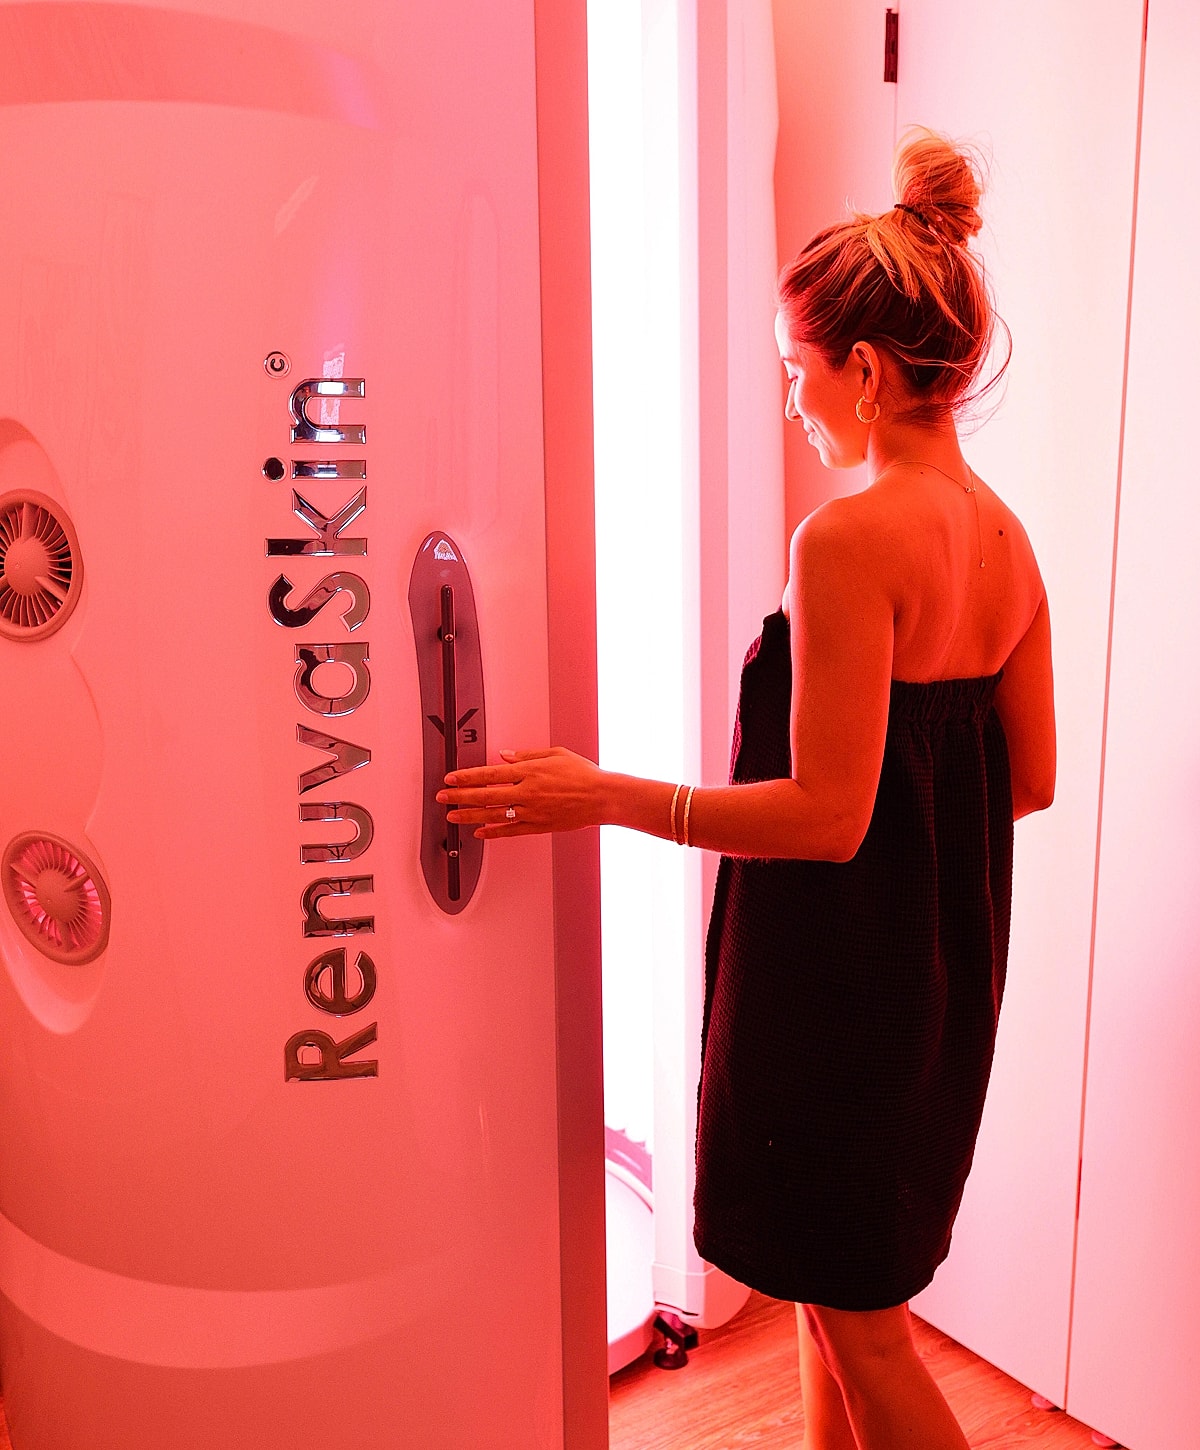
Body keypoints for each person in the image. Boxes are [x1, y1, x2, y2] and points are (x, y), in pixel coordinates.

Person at [438, 128, 1055, 1450]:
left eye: (799, 373)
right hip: (938, 981)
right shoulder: (1010, 547)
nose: (795, 403)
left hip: (834, 990)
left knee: (867, 1330)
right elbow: (1032, 780)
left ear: (871, 372)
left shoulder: (844, 540)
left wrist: (599, 791)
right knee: (833, 1308)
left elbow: (827, 816)